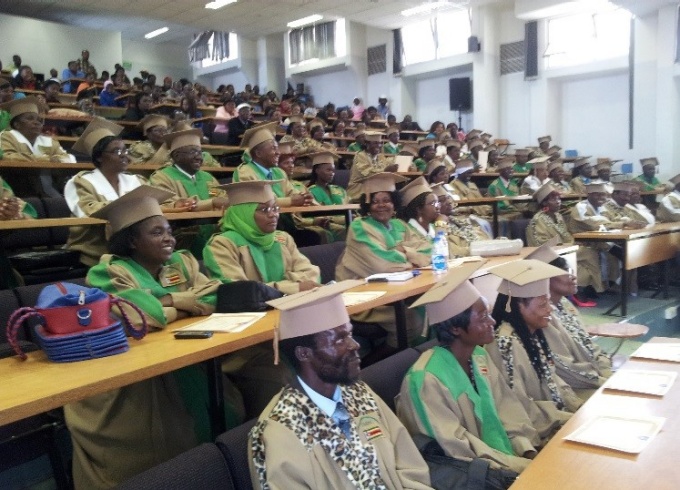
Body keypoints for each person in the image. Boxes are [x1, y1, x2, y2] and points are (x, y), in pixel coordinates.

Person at [65, 186, 221, 489]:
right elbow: (139, 316)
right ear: (133, 241)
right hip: (133, 378)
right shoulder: (107, 272)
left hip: (185, 358)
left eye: (169, 230)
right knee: (162, 442)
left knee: (229, 406)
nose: (169, 239)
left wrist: (166, 303)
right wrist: (185, 303)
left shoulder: (182, 261)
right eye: (157, 232)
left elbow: (214, 295)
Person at [249, 281, 432, 490]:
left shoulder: (359, 392)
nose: (355, 345)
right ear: (304, 354)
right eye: (339, 340)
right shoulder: (278, 431)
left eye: (350, 334)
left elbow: (410, 466)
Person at [398, 263, 540, 474]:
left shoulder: (479, 356)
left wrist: (526, 450)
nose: (492, 321)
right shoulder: (426, 379)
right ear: (455, 328)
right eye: (483, 317)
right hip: (473, 474)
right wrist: (520, 467)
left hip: (508, 463)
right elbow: (458, 449)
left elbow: (508, 411)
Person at [336, 172, 431, 360]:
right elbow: (383, 264)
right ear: (367, 206)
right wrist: (409, 254)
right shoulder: (359, 227)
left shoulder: (399, 225)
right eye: (375, 201)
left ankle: (418, 357)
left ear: (394, 202)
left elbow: (429, 250)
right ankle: (374, 365)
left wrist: (403, 252)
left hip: (396, 290)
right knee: (410, 320)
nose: (381, 205)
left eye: (386, 200)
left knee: (434, 303)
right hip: (363, 296)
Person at [485, 259, 582, 442]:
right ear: (518, 307)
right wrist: (568, 418)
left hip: (552, 417)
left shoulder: (530, 333)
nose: (549, 311)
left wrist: (577, 407)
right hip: (533, 432)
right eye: (542, 305)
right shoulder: (505, 344)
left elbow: (552, 378)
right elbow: (518, 407)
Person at [526, 243, 612, 400]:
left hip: (593, 375)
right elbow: (565, 368)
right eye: (565, 272)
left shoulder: (565, 304)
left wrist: (605, 368)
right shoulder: (544, 317)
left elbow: (588, 343)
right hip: (573, 387)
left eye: (571, 271)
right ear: (546, 279)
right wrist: (605, 380)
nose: (573, 277)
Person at [203, 180, 320, 293]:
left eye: (275, 208)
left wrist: (290, 286)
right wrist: (293, 286)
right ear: (242, 213)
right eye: (264, 209)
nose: (273, 214)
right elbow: (238, 290)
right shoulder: (222, 244)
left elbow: (310, 273)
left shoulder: (283, 239)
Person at [64, 118, 149, 266]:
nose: (124, 155)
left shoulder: (136, 180)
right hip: (94, 252)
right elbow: (88, 211)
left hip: (134, 251)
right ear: (99, 156)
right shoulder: (81, 182)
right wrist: (133, 207)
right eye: (116, 151)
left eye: (125, 150)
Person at [149, 129, 229, 257]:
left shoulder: (208, 177)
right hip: (180, 245)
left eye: (200, 152)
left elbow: (222, 198)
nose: (199, 157)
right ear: (176, 156)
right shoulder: (162, 177)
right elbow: (173, 205)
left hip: (214, 242)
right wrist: (212, 202)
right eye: (193, 152)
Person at [568, 183, 641, 300]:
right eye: (598, 195)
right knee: (615, 252)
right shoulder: (581, 207)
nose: (602, 198)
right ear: (590, 195)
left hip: (599, 242)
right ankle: (601, 288)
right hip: (581, 243)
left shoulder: (601, 207)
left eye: (603, 195)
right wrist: (623, 223)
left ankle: (616, 286)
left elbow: (612, 219)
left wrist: (627, 221)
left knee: (625, 252)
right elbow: (595, 224)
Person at [0, 96, 76, 197]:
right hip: (17, 191)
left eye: (39, 120)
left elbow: (69, 158)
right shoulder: (7, 136)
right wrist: (46, 159)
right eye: (30, 118)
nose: (37, 122)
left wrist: (53, 160)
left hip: (51, 191)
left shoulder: (49, 141)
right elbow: (7, 157)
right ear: (17, 124)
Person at [232, 122, 313, 208]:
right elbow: (256, 203)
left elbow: (291, 192)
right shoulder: (245, 172)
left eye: (277, 148)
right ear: (258, 153)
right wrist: (291, 201)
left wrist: (304, 197)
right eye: (273, 148)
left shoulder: (279, 172)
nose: (278, 152)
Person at [292, 151, 348, 243]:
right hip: (326, 225)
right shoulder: (310, 192)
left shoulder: (340, 190)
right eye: (328, 170)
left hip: (344, 221)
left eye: (333, 171)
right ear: (317, 171)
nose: (332, 173)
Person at [432, 184, 491, 257]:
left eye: (448, 198)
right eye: (442, 201)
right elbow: (452, 251)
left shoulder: (456, 220)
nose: (448, 202)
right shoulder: (436, 228)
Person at [347, 131, 398, 202]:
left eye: (380, 143)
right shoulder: (360, 156)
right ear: (366, 144)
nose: (379, 146)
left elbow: (389, 162)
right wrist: (385, 170)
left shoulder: (380, 156)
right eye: (375, 143)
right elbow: (368, 174)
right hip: (359, 192)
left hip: (375, 190)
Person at [397, 176, 440, 241]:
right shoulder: (407, 232)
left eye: (437, 203)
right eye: (432, 203)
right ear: (419, 209)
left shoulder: (434, 227)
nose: (437, 207)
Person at [487, 157, 525, 222]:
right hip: (500, 214)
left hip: (514, 212)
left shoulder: (513, 184)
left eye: (511, 169)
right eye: (508, 169)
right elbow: (499, 206)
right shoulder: (494, 186)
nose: (511, 171)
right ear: (501, 171)